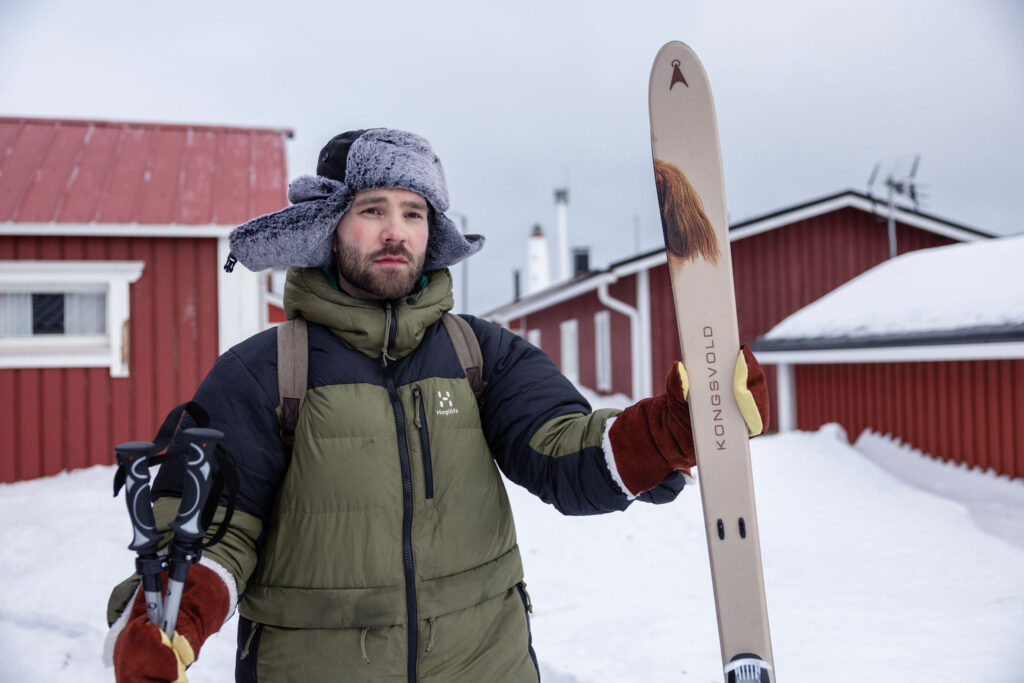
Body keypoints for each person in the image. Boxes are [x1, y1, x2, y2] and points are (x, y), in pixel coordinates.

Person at [105, 128, 769, 683]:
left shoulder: (479, 354)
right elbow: (214, 533)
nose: (395, 230)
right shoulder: (264, 372)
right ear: (329, 226)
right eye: (372, 209)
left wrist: (668, 433)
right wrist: (169, 620)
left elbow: (564, 448)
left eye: (414, 212)